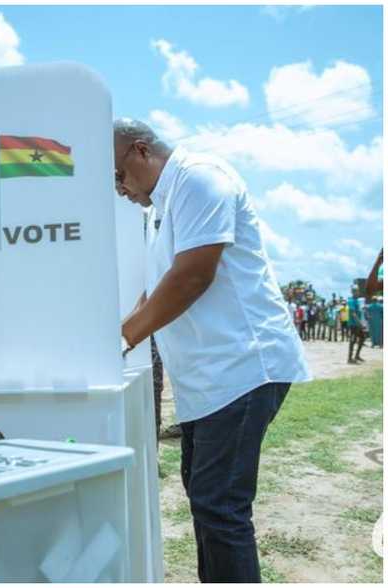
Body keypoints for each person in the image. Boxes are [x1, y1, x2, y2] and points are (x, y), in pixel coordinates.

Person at [113, 119, 309, 583]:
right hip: (210, 381)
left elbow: (192, 276)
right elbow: (158, 287)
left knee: (219, 506)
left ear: (140, 151)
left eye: (117, 175)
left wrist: (122, 340)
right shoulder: (163, 207)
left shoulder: (200, 177)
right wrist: (118, 330)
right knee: (205, 500)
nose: (117, 189)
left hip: (243, 367)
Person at [347, 285, 366, 364]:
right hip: (353, 324)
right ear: (352, 292)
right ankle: (350, 358)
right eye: (355, 291)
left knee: (362, 338)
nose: (357, 292)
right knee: (353, 340)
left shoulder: (357, 300)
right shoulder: (351, 301)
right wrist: (360, 323)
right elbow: (353, 314)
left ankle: (357, 355)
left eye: (357, 290)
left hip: (357, 324)